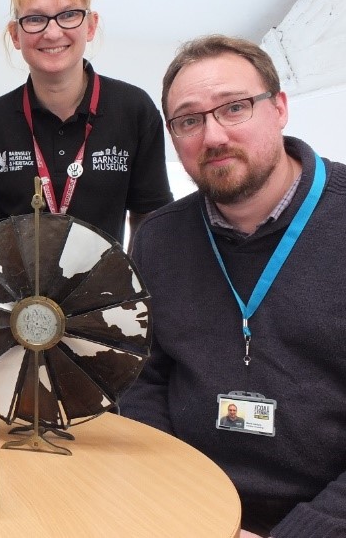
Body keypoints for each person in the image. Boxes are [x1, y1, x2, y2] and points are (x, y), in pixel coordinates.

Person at [119, 35, 346, 537]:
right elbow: (142, 381)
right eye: (188, 121)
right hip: (186, 509)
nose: (213, 135)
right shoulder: (158, 238)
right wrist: (186, 506)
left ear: (279, 108)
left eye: (234, 108)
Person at [0, 0, 172, 244]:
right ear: (15, 35)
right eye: (35, 19)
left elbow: (149, 217)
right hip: (13, 276)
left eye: (68, 14)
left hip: (105, 275)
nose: (52, 33)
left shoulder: (134, 110)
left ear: (91, 25)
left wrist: (134, 274)